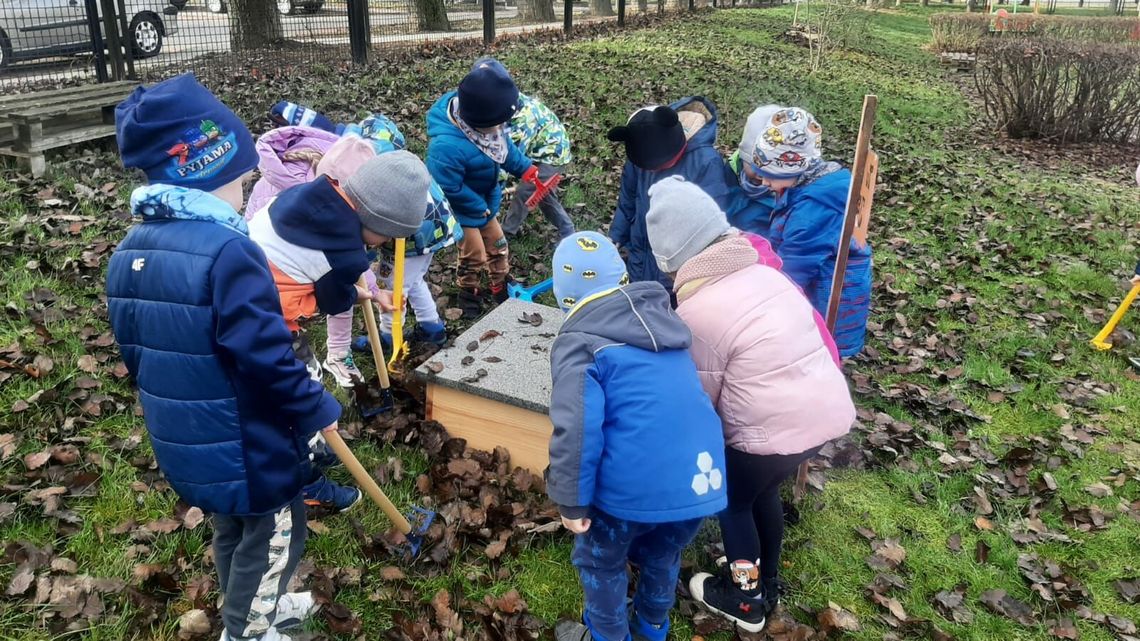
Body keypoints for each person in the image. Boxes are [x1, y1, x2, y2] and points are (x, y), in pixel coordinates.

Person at [107, 73, 341, 641]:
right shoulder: (230, 251)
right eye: (244, 180)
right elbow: (262, 355)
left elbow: (133, 349)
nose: (249, 188)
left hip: (187, 435)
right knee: (275, 532)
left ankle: (263, 605)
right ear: (208, 169)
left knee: (233, 527)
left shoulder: (130, 249)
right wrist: (314, 404)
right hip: (249, 439)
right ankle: (248, 630)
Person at [643, 176, 856, 633]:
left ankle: (745, 599)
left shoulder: (697, 313)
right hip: (821, 417)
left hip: (764, 438)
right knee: (764, 493)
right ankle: (768, 577)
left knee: (734, 504)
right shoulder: (765, 274)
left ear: (673, 260)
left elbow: (699, 404)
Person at [546, 232, 728, 641]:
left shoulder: (579, 343)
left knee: (601, 561)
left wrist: (570, 499)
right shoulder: (667, 328)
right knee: (664, 552)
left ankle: (608, 636)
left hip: (633, 487)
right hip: (700, 479)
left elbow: (577, 426)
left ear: (564, 294)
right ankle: (652, 627)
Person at [247, 149, 430, 389]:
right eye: (388, 235)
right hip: (265, 311)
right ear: (376, 221)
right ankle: (313, 422)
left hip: (236, 269)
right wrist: (356, 294)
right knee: (304, 379)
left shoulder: (305, 192)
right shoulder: (343, 256)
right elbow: (333, 301)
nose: (386, 242)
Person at [745, 106, 872, 358]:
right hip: (819, 284)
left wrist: (763, 300)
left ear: (793, 169)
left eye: (770, 176)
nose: (764, 182)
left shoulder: (813, 209)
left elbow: (796, 268)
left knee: (824, 352)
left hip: (830, 294)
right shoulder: (808, 185)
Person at [426, 57, 535, 319]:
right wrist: (479, 208)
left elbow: (505, 151)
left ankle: (500, 282)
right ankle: (469, 291)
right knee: (473, 253)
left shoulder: (490, 129)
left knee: (498, 243)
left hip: (485, 203)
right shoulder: (446, 147)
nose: (500, 130)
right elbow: (448, 188)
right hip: (461, 209)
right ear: (477, 122)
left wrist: (525, 168)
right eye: (496, 125)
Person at [607, 97, 736, 291]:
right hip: (640, 251)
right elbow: (628, 200)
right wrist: (616, 236)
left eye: (659, 167)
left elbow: (713, 220)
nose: (651, 171)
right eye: (647, 168)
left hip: (679, 263)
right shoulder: (639, 150)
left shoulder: (705, 163)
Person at [499, 91, 575, 240]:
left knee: (525, 192)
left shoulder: (523, 121)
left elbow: (508, 160)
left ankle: (505, 234)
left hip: (552, 155)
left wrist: (491, 191)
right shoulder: (510, 99)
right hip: (538, 147)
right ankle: (568, 230)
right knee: (543, 194)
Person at [724, 104, 780, 236]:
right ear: (743, 158)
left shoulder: (784, 190)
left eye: (770, 169)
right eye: (755, 166)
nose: (762, 176)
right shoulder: (731, 170)